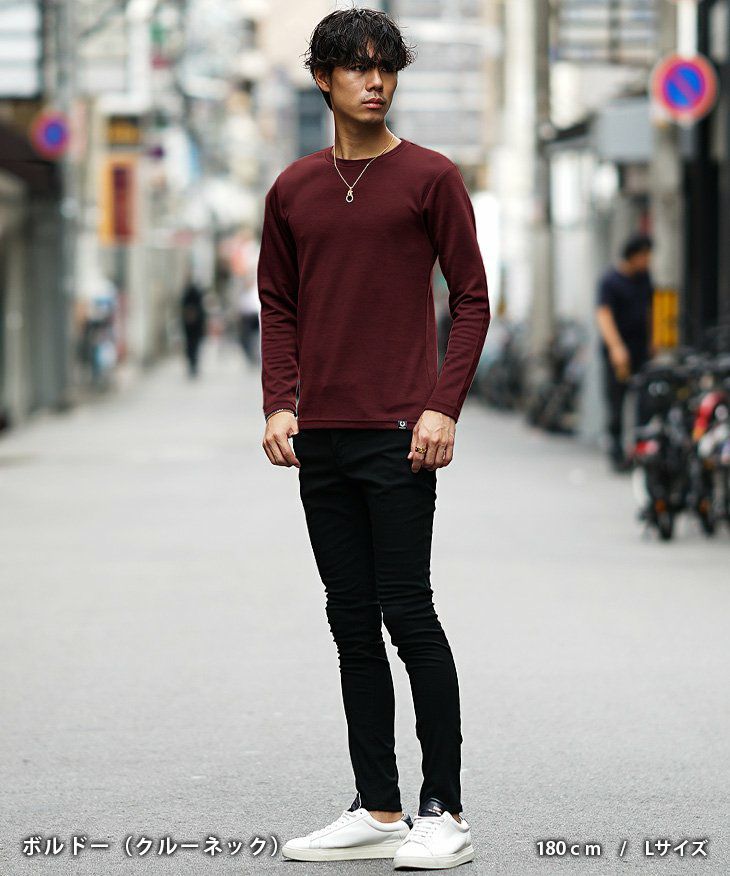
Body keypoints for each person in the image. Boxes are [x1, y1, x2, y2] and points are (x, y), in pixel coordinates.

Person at [257, 8, 490, 870]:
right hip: (321, 436)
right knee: (349, 621)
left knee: (409, 614)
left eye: (386, 66)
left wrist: (442, 405)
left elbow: (473, 298)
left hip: (400, 435)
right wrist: (279, 402)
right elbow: (277, 303)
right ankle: (380, 807)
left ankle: (444, 810)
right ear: (323, 78)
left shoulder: (431, 177)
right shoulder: (293, 188)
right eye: (357, 67)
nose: (375, 81)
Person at [595, 234, 654, 472]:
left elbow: (650, 309)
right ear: (633, 255)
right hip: (618, 354)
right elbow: (604, 315)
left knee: (645, 403)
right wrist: (616, 347)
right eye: (645, 255)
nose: (647, 261)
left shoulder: (644, 278)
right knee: (616, 406)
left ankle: (639, 452)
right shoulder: (610, 281)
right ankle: (616, 454)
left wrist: (653, 340)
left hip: (641, 351)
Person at [180, 275, 207, 378]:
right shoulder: (191, 296)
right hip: (191, 328)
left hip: (194, 327)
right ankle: (193, 365)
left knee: (193, 346)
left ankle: (193, 365)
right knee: (193, 346)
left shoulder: (190, 296)